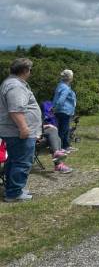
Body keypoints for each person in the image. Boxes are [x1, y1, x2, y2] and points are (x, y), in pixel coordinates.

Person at [0, 58, 42, 202]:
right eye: (30, 70)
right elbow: (15, 110)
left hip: (13, 130)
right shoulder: (16, 86)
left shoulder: (11, 83)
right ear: (25, 70)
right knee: (22, 162)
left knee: (14, 160)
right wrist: (24, 128)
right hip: (18, 131)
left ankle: (13, 188)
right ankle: (14, 193)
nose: (30, 72)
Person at [52, 69, 77, 153]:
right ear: (70, 78)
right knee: (63, 130)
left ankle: (66, 146)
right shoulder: (65, 88)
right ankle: (60, 148)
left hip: (64, 111)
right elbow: (61, 99)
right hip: (63, 111)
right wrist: (56, 108)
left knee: (65, 129)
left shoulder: (61, 85)